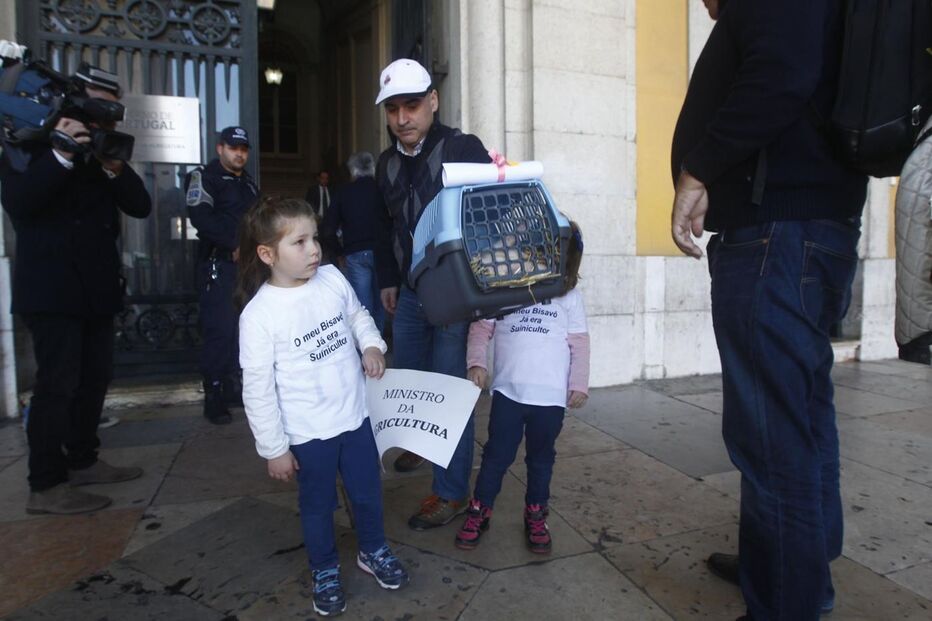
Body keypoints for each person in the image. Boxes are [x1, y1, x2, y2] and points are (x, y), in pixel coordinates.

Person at [670, 1, 867, 619]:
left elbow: (782, 73)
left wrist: (699, 170)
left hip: (776, 239)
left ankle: (786, 600)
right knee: (801, 412)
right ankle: (793, 565)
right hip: (798, 231)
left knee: (770, 435)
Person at [236, 196, 408, 617]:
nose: (314, 249)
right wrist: (274, 448)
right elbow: (258, 389)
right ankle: (325, 568)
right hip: (308, 433)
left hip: (355, 419)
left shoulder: (332, 278)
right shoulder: (259, 315)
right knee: (317, 506)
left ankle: (372, 548)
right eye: (299, 242)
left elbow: (358, 316)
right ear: (267, 254)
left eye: (314, 238)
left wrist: (372, 345)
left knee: (367, 493)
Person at [0, 63, 151, 515]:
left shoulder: (100, 152)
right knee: (57, 385)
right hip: (51, 290)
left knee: (94, 380)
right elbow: (21, 204)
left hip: (95, 290)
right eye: (100, 106)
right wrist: (62, 154)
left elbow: (140, 205)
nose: (107, 118)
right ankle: (46, 484)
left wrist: (113, 167)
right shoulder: (29, 143)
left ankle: (83, 460)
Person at [373, 58, 492, 529]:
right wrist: (388, 278)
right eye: (393, 109)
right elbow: (386, 228)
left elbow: (488, 215)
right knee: (412, 382)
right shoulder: (385, 164)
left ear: (433, 101)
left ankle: (451, 491)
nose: (402, 117)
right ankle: (424, 445)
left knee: (449, 393)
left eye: (412, 105)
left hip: (453, 296)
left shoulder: (462, 148)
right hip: (408, 293)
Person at [455, 222, 589, 554]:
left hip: (550, 398)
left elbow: (579, 343)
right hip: (509, 393)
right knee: (496, 456)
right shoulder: (506, 284)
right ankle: (480, 509)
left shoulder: (569, 296)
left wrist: (578, 383)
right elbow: (481, 327)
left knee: (541, 459)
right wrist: (477, 363)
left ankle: (536, 513)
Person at [185, 126, 259, 424]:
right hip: (219, 265)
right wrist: (233, 244)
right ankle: (213, 394)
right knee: (220, 331)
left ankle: (231, 388)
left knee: (242, 331)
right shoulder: (205, 177)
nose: (239, 154)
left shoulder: (249, 183)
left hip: (248, 269)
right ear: (220, 149)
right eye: (233, 148)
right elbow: (201, 219)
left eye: (243, 149)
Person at [320, 152, 391, 333]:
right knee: (381, 303)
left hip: (355, 252)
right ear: (373, 169)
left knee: (361, 307)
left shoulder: (343, 192)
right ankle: (377, 342)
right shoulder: (382, 189)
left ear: (352, 171)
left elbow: (328, 229)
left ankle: (365, 345)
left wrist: (338, 252)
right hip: (382, 252)